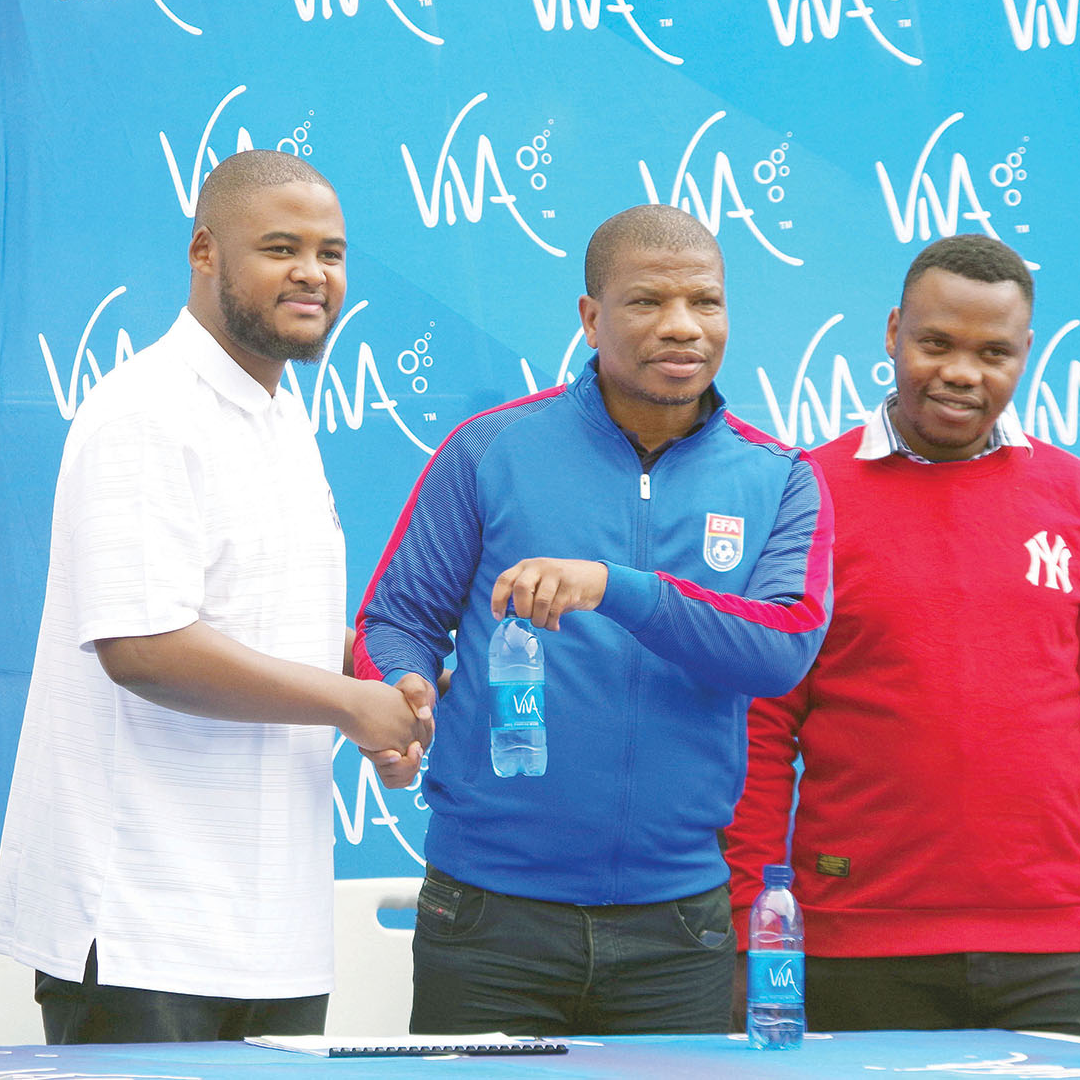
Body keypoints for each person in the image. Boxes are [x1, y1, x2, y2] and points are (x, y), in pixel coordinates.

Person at [353, 203, 833, 1035]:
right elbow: (396, 617)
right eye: (647, 301)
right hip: (489, 917)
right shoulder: (489, 449)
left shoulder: (780, 476)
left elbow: (780, 647)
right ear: (590, 317)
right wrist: (400, 686)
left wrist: (617, 587)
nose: (681, 325)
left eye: (705, 302)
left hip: (677, 925)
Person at [0, 149, 433, 1044]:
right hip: (142, 928)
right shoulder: (145, 410)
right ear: (203, 252)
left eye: (331, 253)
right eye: (281, 247)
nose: (313, 273)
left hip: (276, 932)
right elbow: (144, 647)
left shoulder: (284, 416)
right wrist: (350, 705)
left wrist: (380, 696)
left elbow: (267, 622)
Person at [725, 234, 1080, 1036]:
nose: (962, 372)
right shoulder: (808, 495)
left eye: (993, 352)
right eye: (936, 343)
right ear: (893, 331)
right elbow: (759, 725)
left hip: (1053, 942)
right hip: (854, 939)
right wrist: (746, 925)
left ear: (1025, 352)